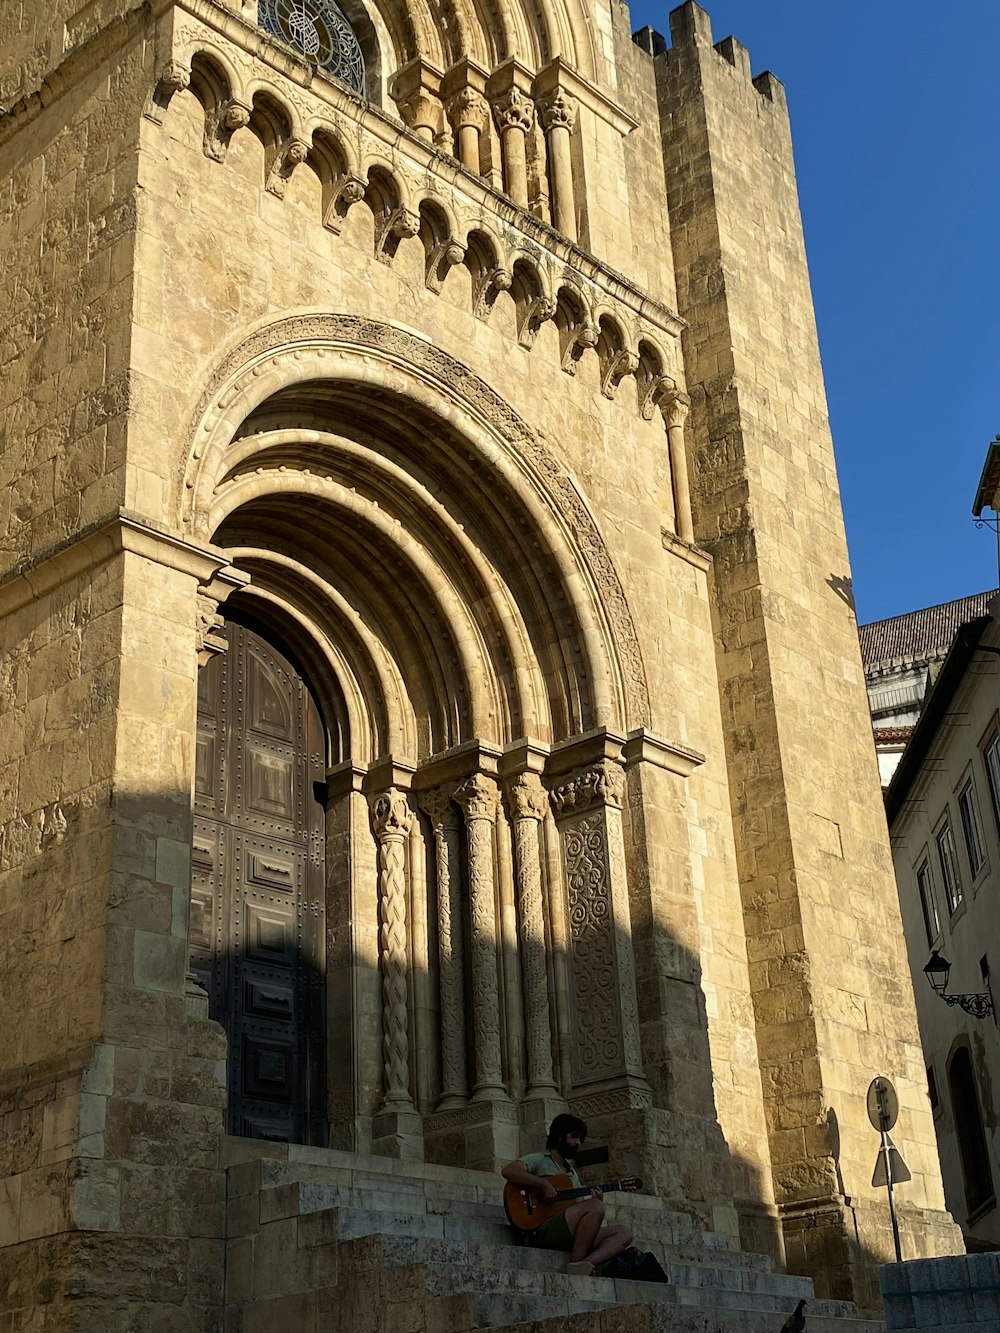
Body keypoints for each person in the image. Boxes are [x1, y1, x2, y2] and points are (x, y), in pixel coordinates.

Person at [501, 1113, 633, 1276]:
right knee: (595, 1207)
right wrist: (543, 1183)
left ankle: (586, 1262)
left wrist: (596, 1202)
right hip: (540, 1229)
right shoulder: (539, 1160)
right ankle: (576, 1263)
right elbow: (509, 1171)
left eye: (579, 1139)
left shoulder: (572, 1174)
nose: (578, 1143)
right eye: (574, 1137)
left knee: (624, 1233)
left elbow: (578, 1210)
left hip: (567, 1232)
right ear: (559, 1136)